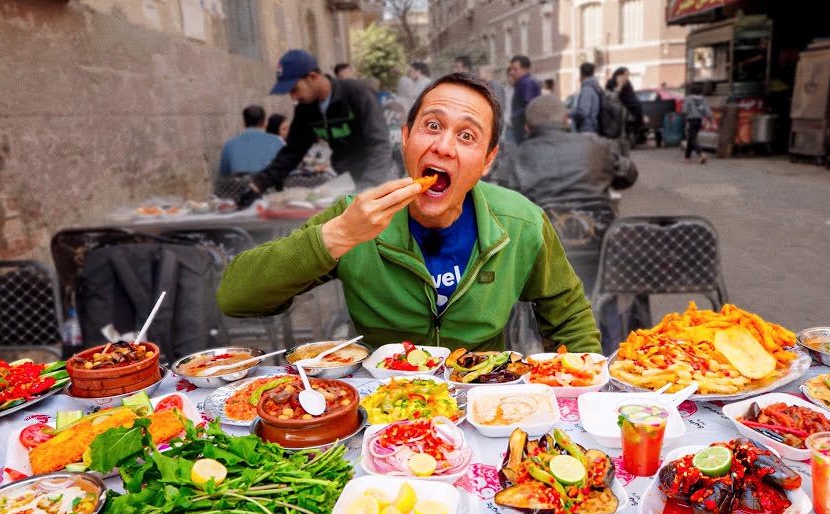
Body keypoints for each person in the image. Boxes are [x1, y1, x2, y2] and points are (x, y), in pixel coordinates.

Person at [217, 73, 601, 353]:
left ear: (488, 161)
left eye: (467, 136)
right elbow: (236, 297)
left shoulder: (522, 223)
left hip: (482, 403)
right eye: (432, 125)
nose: (444, 147)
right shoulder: (353, 216)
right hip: (383, 404)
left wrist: (582, 397)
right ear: (405, 138)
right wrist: (339, 236)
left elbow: (571, 322)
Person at [237, 49, 395, 207]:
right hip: (348, 179)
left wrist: (369, 185)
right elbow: (291, 152)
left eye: (294, 89)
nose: (293, 97)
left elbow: (379, 143)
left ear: (312, 77)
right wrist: (258, 185)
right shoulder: (305, 110)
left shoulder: (357, 94)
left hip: (379, 178)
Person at [498, 94, 633, 243]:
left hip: (541, 250)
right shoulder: (597, 147)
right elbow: (629, 175)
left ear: (527, 128)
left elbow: (504, 206)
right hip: (602, 247)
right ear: (567, 120)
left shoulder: (513, 159)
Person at [218, 105, 285, 177]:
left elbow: (224, 175)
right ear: (265, 123)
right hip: (269, 182)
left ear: (244, 123)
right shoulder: (278, 142)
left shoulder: (229, 145)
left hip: (240, 183)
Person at [507, 55, 541, 144]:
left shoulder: (527, 83)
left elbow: (530, 105)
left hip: (524, 129)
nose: (511, 72)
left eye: (515, 69)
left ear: (525, 69)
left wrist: (526, 122)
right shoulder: (521, 84)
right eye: (511, 69)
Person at [608, 67, 646, 145]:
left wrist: (642, 114)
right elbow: (612, 98)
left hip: (626, 111)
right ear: (618, 75)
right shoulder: (610, 83)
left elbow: (633, 98)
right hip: (614, 113)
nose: (626, 77)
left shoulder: (628, 84)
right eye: (625, 75)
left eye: (628, 75)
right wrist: (620, 86)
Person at [684, 81, 713, 163]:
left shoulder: (688, 99)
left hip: (691, 121)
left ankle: (701, 154)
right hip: (699, 121)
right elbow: (707, 110)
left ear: (691, 92)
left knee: (692, 138)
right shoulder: (703, 99)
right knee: (691, 138)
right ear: (700, 92)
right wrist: (710, 118)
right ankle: (687, 157)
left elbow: (685, 110)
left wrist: (685, 116)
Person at [570, 62, 602, 135]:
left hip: (586, 129)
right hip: (593, 128)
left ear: (581, 74)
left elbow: (583, 112)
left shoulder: (586, 89)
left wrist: (569, 113)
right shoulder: (595, 87)